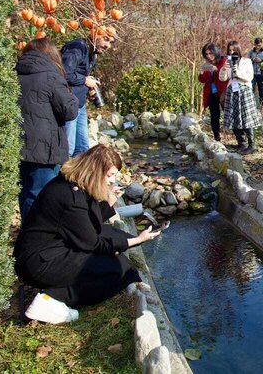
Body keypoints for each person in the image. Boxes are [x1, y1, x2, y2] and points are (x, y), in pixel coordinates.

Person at [14, 145, 161, 323]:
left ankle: (57, 294)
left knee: (118, 248)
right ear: (95, 171)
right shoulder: (71, 197)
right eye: (110, 175)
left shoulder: (71, 184)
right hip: (38, 263)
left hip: (50, 249)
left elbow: (84, 225)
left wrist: (108, 204)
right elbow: (92, 242)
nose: (112, 181)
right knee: (117, 271)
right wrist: (137, 240)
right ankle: (51, 298)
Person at [16, 38, 79, 219]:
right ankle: (37, 239)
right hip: (44, 149)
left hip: (19, 145)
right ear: (51, 54)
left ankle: (27, 234)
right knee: (43, 195)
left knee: (26, 192)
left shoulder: (15, 73)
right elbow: (70, 111)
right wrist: (72, 95)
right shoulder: (52, 76)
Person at [61, 31, 113, 157]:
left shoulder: (92, 53)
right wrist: (85, 80)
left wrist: (88, 89)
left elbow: (80, 75)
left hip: (80, 105)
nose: (108, 45)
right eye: (106, 39)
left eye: (110, 42)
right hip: (68, 104)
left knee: (82, 148)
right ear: (94, 33)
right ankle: (59, 176)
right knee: (68, 148)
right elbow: (63, 72)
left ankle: (76, 176)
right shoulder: (78, 47)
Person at [220, 40, 263, 154]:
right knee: (234, 117)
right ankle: (241, 143)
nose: (232, 52)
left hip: (244, 91)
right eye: (230, 50)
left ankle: (252, 144)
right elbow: (223, 78)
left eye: (234, 50)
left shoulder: (247, 61)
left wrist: (237, 72)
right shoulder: (228, 62)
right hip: (232, 91)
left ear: (238, 50)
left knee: (246, 117)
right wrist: (224, 69)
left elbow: (249, 77)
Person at [197, 43, 229, 141]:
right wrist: (202, 71)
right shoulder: (207, 64)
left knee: (228, 113)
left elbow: (225, 75)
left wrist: (216, 69)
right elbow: (202, 79)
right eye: (206, 54)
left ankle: (238, 137)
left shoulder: (223, 60)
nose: (208, 56)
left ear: (215, 52)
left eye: (210, 53)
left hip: (223, 91)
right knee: (214, 115)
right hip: (211, 92)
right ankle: (217, 136)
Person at [249, 37, 263, 104]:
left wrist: (261, 61)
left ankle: (262, 105)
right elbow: (247, 61)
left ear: (261, 44)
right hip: (253, 74)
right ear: (254, 44)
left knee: (261, 90)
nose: (258, 47)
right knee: (251, 90)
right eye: (256, 45)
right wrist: (252, 60)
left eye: (259, 45)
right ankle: (252, 104)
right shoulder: (251, 52)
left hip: (261, 74)